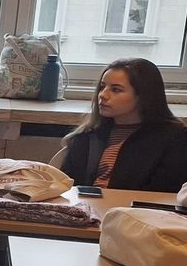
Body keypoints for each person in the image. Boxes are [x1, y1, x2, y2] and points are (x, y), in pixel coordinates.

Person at [60, 57, 187, 192]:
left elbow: (164, 192)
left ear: (143, 96)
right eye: (102, 87)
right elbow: (66, 187)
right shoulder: (87, 136)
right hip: (86, 204)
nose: (102, 95)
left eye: (116, 90)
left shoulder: (174, 138)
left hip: (136, 205)